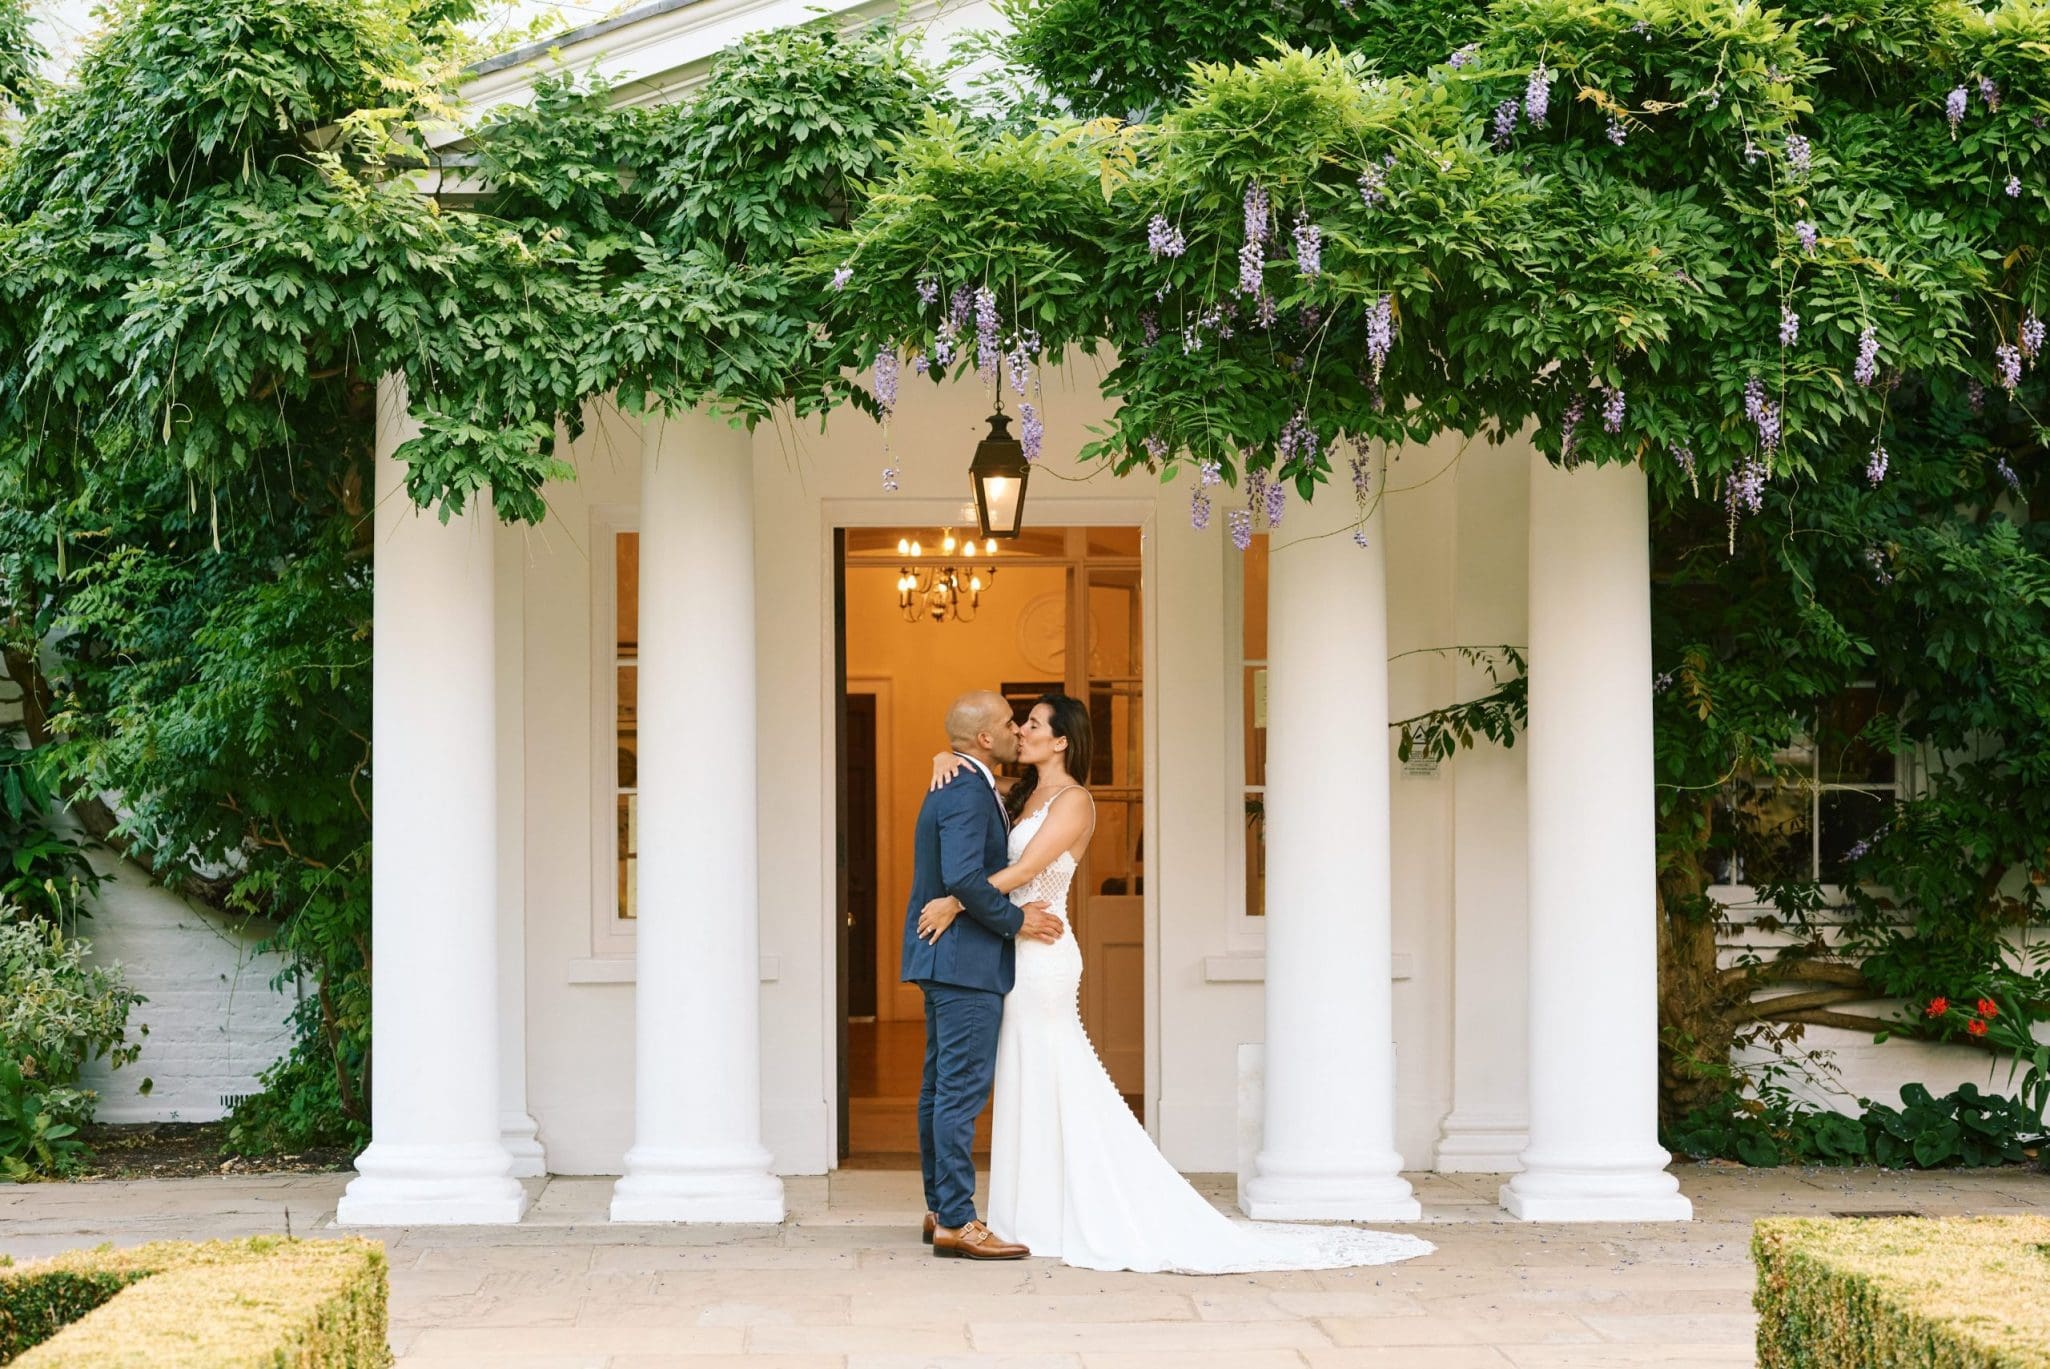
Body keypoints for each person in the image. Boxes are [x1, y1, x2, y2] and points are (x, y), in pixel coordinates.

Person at [918, 693, 1434, 1274]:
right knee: (1020, 1075)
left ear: (1061, 740)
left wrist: (957, 902)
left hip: (1042, 949)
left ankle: (1059, 1207)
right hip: (1012, 950)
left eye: (1032, 724)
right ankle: (1012, 1209)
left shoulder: (1074, 800)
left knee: (1047, 1072)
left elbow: (1026, 869)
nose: (1022, 732)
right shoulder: (1015, 792)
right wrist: (946, 753)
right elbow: (972, 772)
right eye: (1019, 724)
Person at [899, 690, 1065, 1259]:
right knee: (959, 1093)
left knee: (941, 1089)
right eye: (1008, 722)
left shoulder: (966, 780)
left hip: (949, 958)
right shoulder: (968, 789)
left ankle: (940, 1209)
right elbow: (966, 878)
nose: (1018, 729)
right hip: (965, 961)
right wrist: (1018, 920)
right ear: (986, 739)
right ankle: (958, 1221)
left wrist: (941, 754)